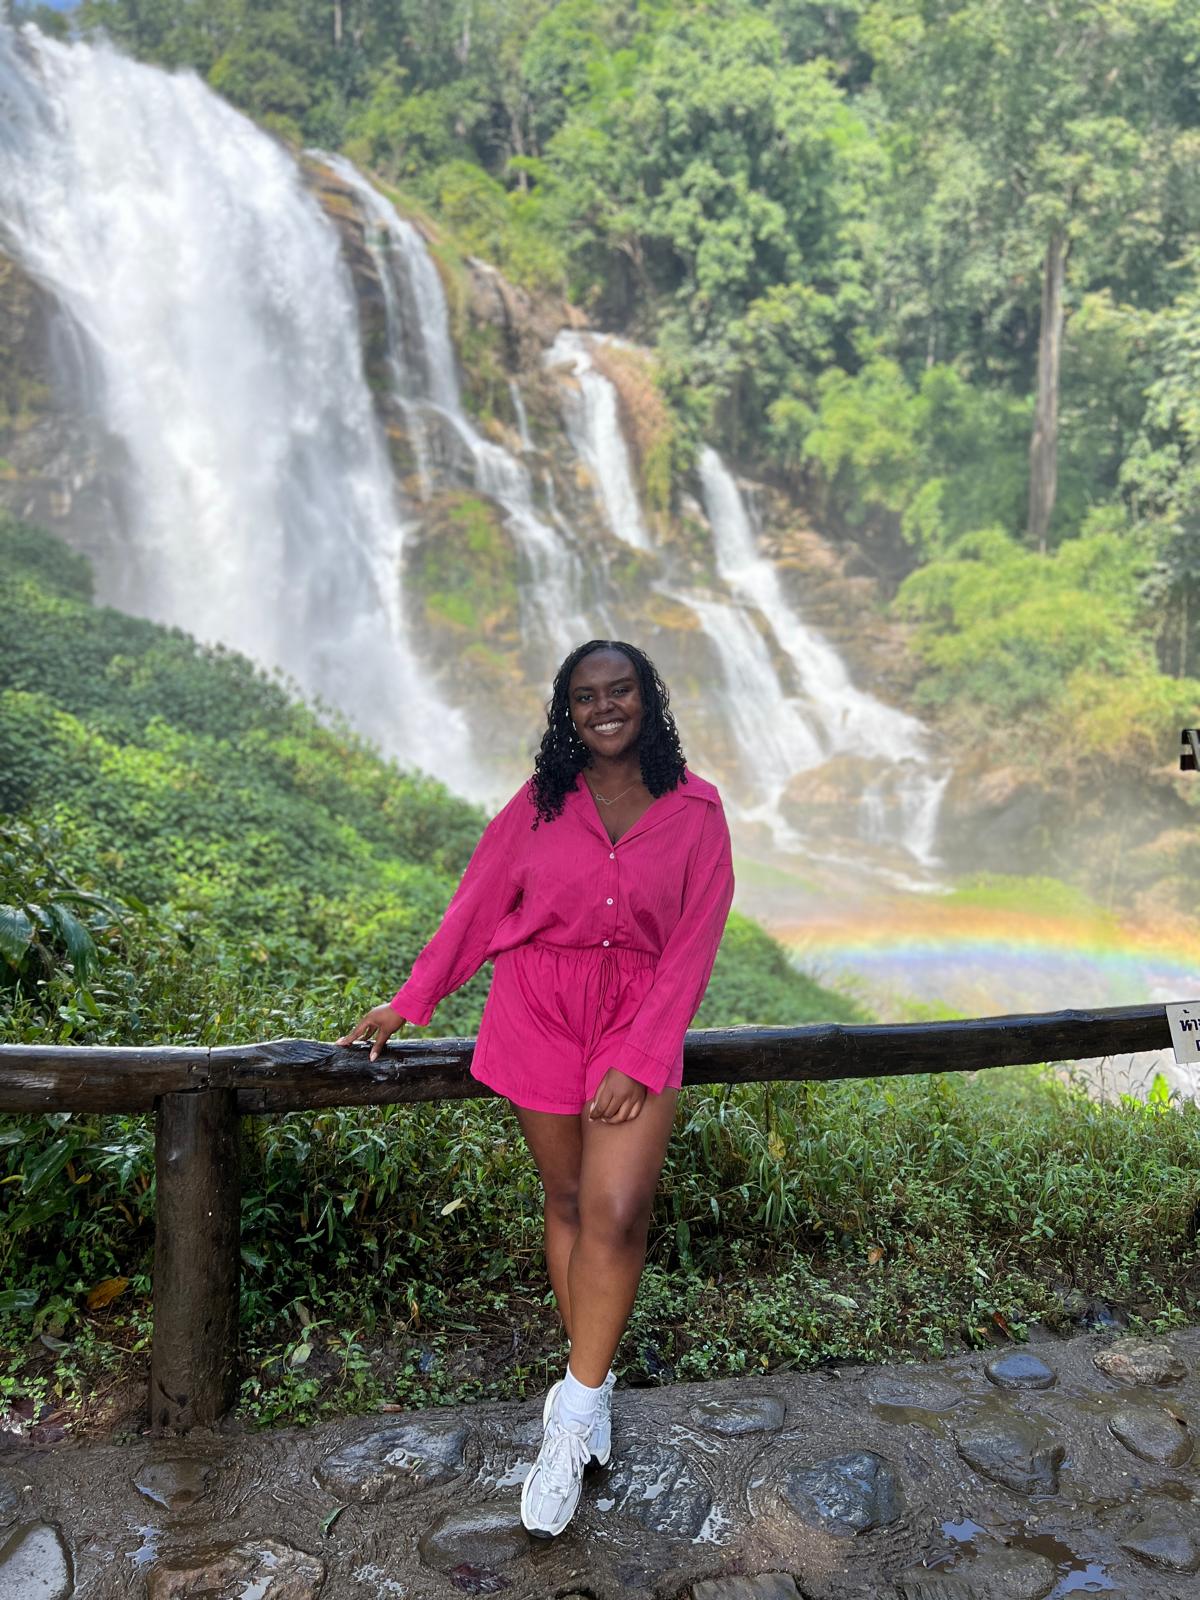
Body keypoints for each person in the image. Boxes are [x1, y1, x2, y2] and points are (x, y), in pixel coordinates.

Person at [338, 639, 735, 1538]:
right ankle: (588, 1389)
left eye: (620, 691)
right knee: (565, 1199)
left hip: (637, 1024)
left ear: (648, 700)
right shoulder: (537, 806)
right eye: (586, 696)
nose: (604, 707)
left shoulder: (697, 812)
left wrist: (641, 1053)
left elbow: (695, 940)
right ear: (568, 712)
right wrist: (409, 1001)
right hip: (538, 1013)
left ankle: (570, 1419)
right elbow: (475, 910)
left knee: (619, 1207)